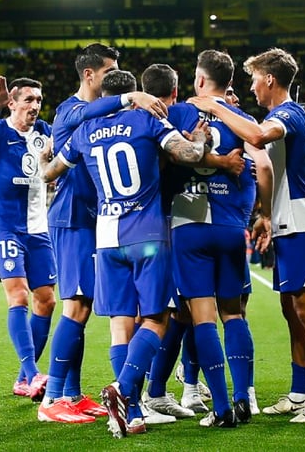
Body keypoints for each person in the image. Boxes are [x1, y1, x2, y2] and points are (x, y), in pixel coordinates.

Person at [42, 69, 209, 438]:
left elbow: (49, 172)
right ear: (134, 93)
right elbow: (189, 153)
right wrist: (202, 137)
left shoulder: (84, 132)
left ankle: (131, 415)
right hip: (146, 234)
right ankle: (125, 387)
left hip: (106, 237)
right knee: (156, 319)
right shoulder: (146, 119)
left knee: (120, 325)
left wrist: (41, 158)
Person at [187, 47, 305, 424]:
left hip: (300, 223)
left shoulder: (286, 113)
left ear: (270, 79)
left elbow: (255, 134)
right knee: (291, 311)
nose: (251, 86)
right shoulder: (290, 117)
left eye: (254, 78)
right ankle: (300, 393)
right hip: (289, 220)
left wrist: (215, 105)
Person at [36, 43, 166, 425]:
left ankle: (73, 394)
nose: (114, 77)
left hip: (99, 222)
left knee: (89, 307)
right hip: (72, 218)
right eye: (109, 71)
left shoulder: (108, 114)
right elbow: (89, 115)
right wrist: (130, 95)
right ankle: (53, 397)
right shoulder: (69, 110)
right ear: (90, 75)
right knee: (75, 305)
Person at [148, 53, 270, 427]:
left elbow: (162, 156)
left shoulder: (180, 113)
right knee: (234, 313)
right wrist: (263, 212)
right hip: (231, 225)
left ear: (199, 80)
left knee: (201, 318)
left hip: (189, 223)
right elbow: (263, 165)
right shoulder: (243, 118)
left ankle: (220, 409)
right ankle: (244, 397)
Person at [0, 76, 55, 403]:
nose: (35, 105)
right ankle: (34, 372)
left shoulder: (44, 132)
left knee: (46, 299)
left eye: (39, 99)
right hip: (5, 224)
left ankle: (24, 379)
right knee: (18, 295)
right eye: (29, 100)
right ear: (12, 102)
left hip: (38, 226)